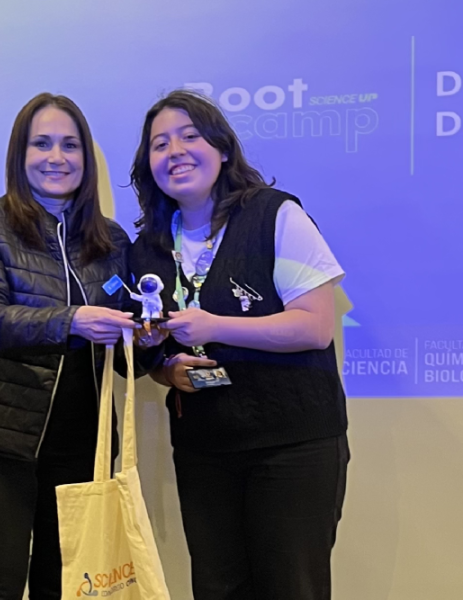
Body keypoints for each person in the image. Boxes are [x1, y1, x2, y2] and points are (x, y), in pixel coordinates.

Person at [129, 90, 350, 600]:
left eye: (189, 136)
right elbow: (154, 350)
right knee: (217, 588)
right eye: (159, 144)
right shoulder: (148, 248)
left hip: (293, 445)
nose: (175, 151)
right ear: (149, 166)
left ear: (223, 148)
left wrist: (215, 326)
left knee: (291, 588)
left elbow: (315, 327)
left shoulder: (276, 216)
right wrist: (167, 370)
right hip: (205, 450)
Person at [0, 93, 136, 600]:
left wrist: (155, 343)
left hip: (83, 449)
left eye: (70, 145)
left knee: (68, 589)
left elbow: (125, 339)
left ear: (86, 159)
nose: (57, 157)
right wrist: (73, 320)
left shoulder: (112, 241)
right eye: (42, 143)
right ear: (19, 155)